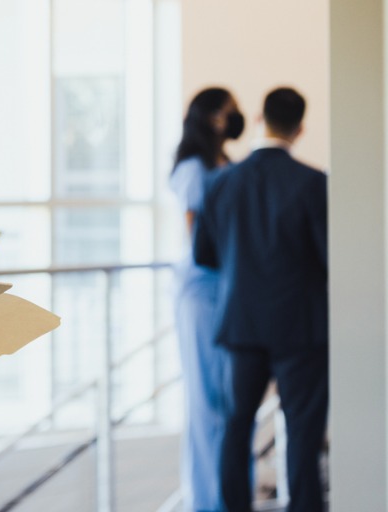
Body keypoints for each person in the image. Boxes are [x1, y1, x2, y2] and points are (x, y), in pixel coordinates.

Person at [194, 87, 328, 512]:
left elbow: (203, 254)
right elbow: (328, 256)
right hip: (300, 328)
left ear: (258, 119)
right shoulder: (313, 183)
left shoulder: (220, 182)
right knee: (304, 434)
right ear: (300, 129)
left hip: (241, 324)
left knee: (236, 428)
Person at [169, 87, 243, 512]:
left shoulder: (226, 165)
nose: (237, 118)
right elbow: (197, 238)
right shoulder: (193, 169)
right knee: (205, 404)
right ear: (214, 118)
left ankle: (231, 499)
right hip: (201, 293)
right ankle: (207, 502)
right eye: (230, 112)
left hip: (229, 293)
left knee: (231, 406)